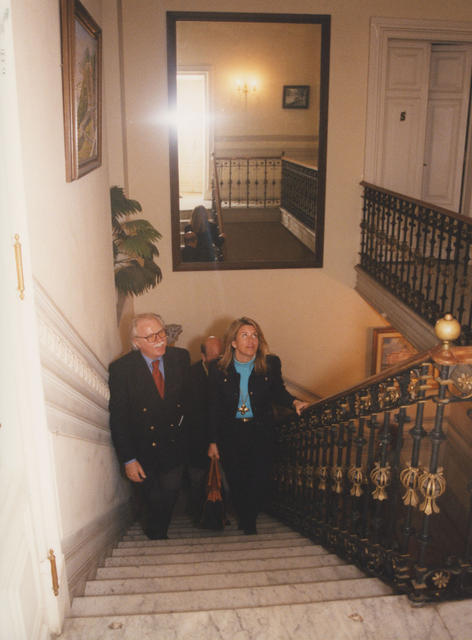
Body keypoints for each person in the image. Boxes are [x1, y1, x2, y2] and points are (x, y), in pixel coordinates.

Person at [208, 317, 309, 535]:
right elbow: (214, 407)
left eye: (255, 335)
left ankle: (250, 519)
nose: (251, 340)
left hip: (260, 431)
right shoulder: (218, 368)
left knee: (259, 478)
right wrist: (213, 441)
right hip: (231, 434)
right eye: (244, 335)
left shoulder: (270, 364)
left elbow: (278, 391)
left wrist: (295, 402)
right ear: (233, 342)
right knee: (236, 479)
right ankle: (245, 515)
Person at [108, 313, 190, 539]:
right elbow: (119, 418)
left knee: (171, 492)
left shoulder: (180, 358)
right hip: (143, 450)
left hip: (174, 444)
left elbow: (190, 401)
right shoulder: (121, 369)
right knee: (152, 499)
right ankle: (157, 536)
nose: (160, 340)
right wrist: (129, 460)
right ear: (136, 342)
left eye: (161, 333)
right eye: (151, 336)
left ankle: (160, 532)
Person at [185, 335, 223, 523]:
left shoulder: (229, 371)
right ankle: (197, 514)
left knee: (220, 480)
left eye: (220, 356)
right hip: (197, 440)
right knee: (197, 480)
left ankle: (219, 514)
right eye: (213, 357)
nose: (217, 362)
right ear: (203, 356)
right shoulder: (190, 375)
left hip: (221, 438)